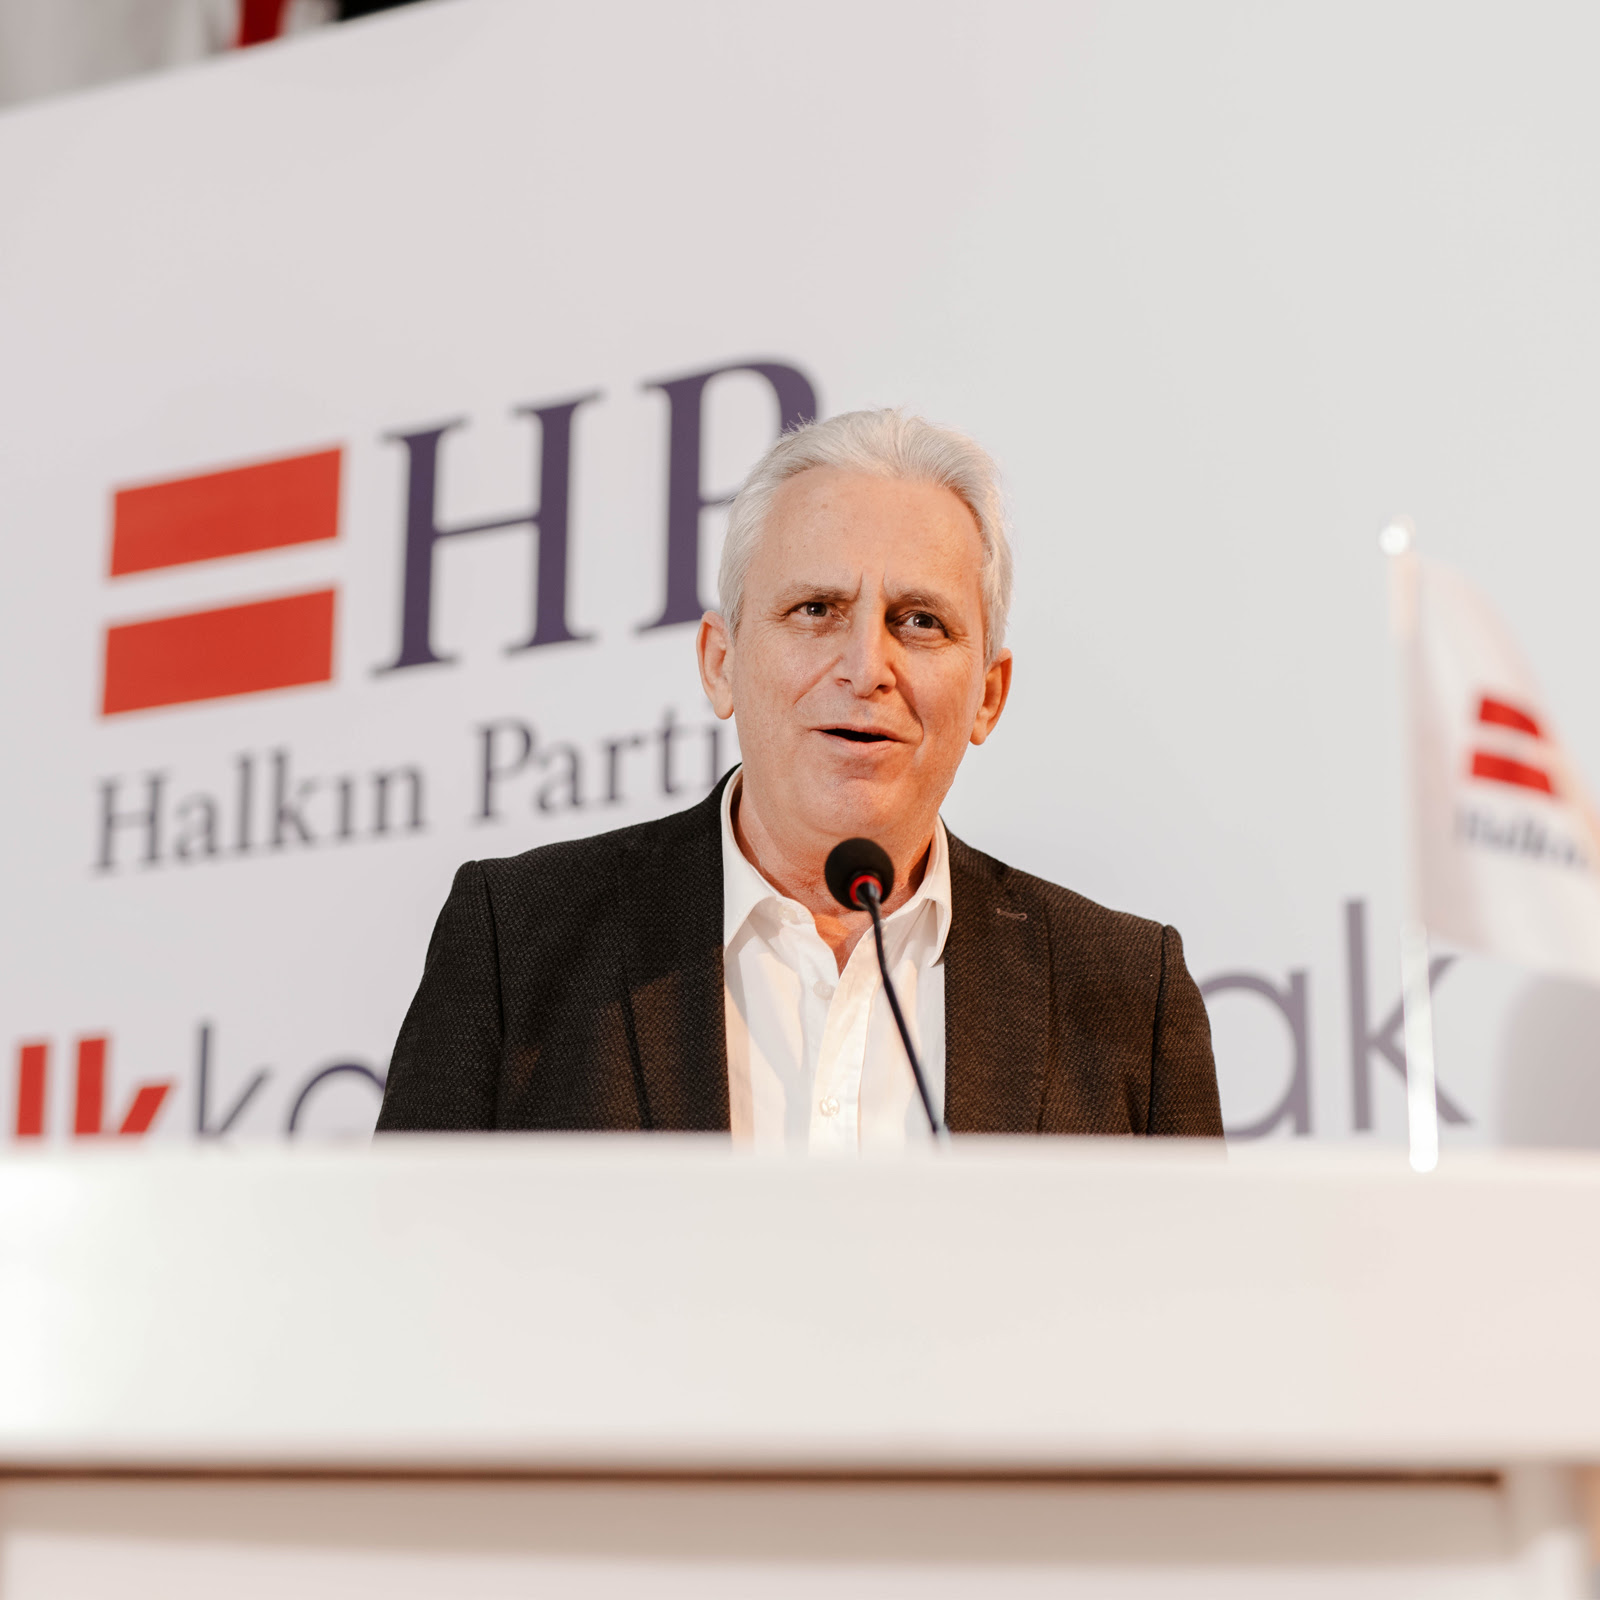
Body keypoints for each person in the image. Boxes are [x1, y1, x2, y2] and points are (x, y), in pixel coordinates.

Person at [376, 410, 1222, 1144]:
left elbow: (1192, 1286)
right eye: (815, 610)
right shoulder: (518, 944)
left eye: (920, 622)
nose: (867, 667)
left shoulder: (1124, 994)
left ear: (988, 696)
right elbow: (401, 1268)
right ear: (720, 664)